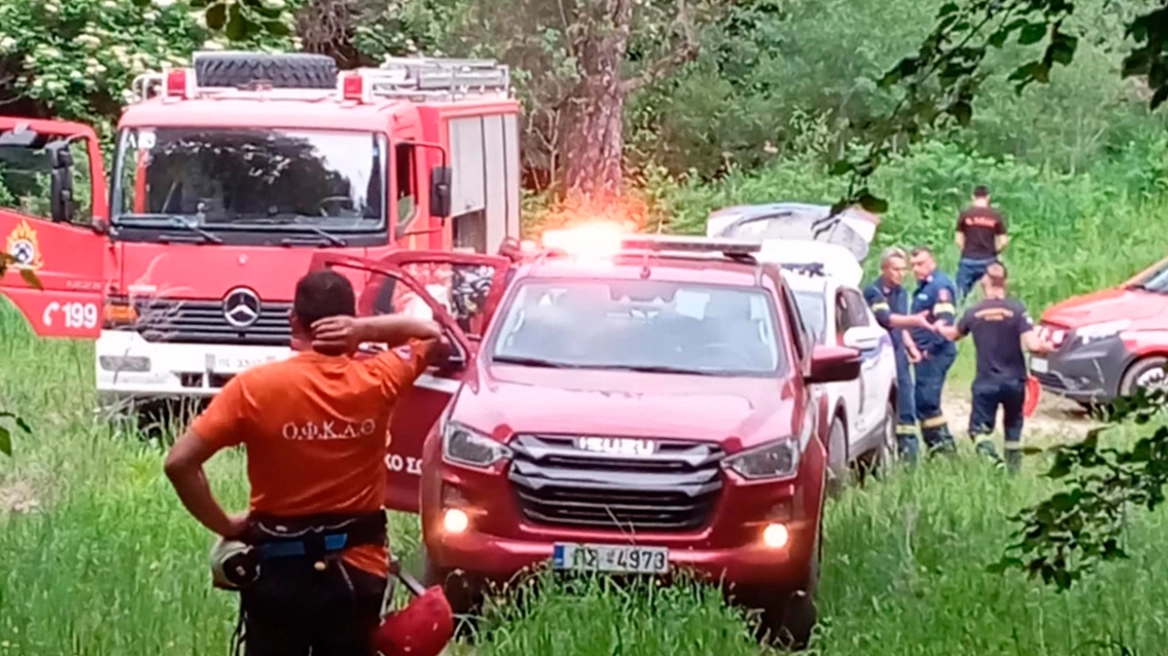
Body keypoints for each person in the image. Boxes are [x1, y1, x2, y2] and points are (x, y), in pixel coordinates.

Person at [163, 269, 446, 656]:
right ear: (347, 320)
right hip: (356, 575)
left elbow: (179, 463)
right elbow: (431, 334)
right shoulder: (379, 378)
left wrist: (226, 524)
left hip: (278, 575)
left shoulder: (253, 388)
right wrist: (364, 330)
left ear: (294, 320)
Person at [936, 262, 1054, 473]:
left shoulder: (974, 312)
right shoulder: (1017, 310)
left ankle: (993, 460)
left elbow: (953, 334)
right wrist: (1048, 347)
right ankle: (1013, 473)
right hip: (1015, 381)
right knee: (1013, 431)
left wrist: (939, 327)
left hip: (986, 382)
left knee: (978, 431)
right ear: (1005, 282)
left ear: (984, 282)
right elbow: (1033, 345)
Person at [862, 246, 934, 462]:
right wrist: (916, 321)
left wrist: (910, 346)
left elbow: (900, 326)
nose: (901, 274)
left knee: (906, 404)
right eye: (895, 269)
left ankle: (909, 458)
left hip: (899, 354)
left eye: (904, 269)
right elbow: (887, 319)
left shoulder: (901, 293)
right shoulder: (873, 292)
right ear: (884, 269)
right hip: (879, 356)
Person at [908, 246, 959, 455]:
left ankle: (945, 449)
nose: (916, 269)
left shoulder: (940, 287)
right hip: (923, 354)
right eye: (913, 265)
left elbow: (945, 322)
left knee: (928, 401)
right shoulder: (924, 287)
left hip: (935, 353)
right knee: (922, 400)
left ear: (932, 262)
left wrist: (930, 349)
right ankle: (934, 448)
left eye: (920, 264)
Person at [954, 185, 1008, 301]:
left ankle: (959, 311)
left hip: (968, 259)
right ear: (988, 197)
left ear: (973, 197)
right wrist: (995, 251)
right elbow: (1003, 241)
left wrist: (966, 250)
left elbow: (958, 239)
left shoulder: (965, 214)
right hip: (988, 260)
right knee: (993, 294)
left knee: (960, 295)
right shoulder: (995, 215)